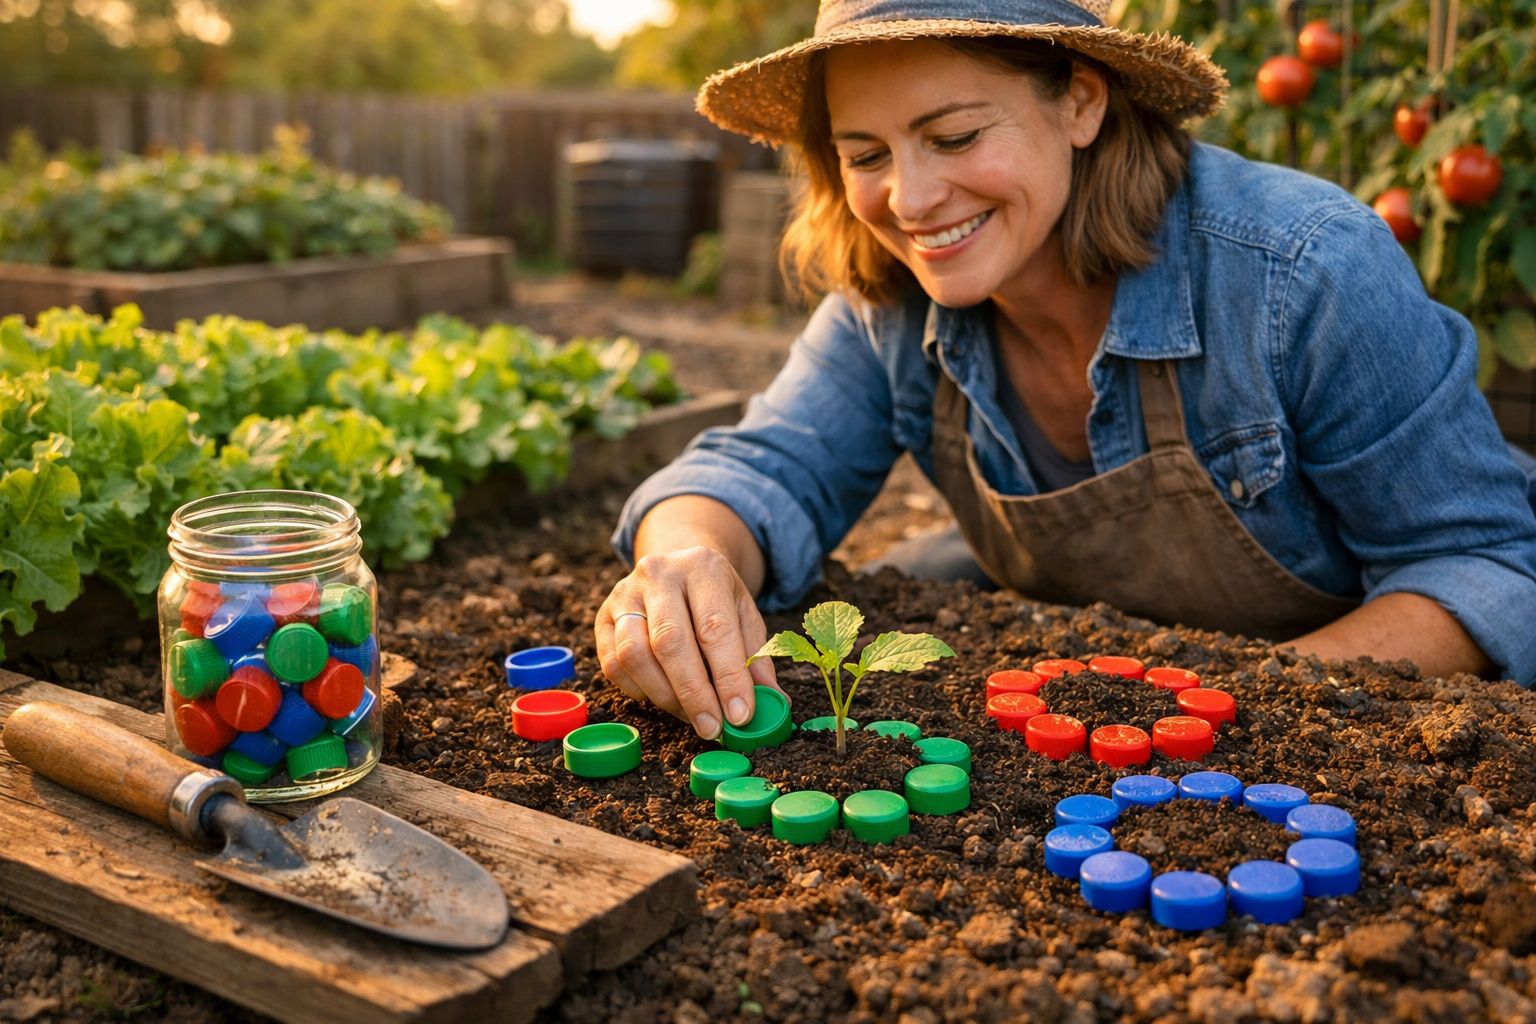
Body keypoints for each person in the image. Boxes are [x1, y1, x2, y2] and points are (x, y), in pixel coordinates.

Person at [595, 0, 1536, 740]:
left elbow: (1485, 563)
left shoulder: (1303, 271)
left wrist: (1231, 703)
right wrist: (688, 559)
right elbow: (764, 469)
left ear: (1081, 101)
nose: (911, 199)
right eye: (866, 154)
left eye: (956, 136)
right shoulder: (890, 306)